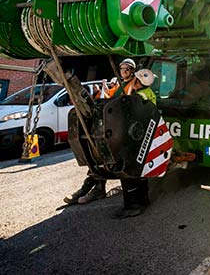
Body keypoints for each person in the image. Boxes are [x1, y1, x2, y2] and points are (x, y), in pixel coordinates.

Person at [63, 58, 141, 206]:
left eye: (126, 69)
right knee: (100, 156)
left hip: (122, 126)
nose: (123, 72)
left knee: (109, 157)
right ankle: (93, 188)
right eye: (122, 69)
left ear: (132, 70)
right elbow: (108, 97)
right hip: (110, 122)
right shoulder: (119, 83)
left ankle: (94, 189)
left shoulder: (133, 84)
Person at [113, 67, 159, 219]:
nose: (134, 81)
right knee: (141, 170)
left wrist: (130, 87)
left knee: (129, 170)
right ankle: (144, 199)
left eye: (136, 80)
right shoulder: (149, 93)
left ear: (139, 82)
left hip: (136, 137)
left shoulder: (138, 96)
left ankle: (133, 206)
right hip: (145, 134)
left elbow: (124, 104)